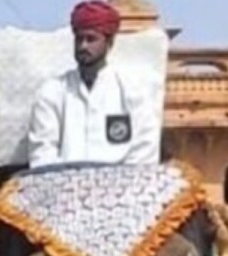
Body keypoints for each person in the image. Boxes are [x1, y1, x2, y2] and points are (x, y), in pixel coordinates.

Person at [27, 2, 160, 169]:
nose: (83, 46)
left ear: (109, 42)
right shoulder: (51, 92)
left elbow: (145, 149)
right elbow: (42, 153)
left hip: (121, 186)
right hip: (64, 186)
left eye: (91, 39)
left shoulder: (133, 90)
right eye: (79, 39)